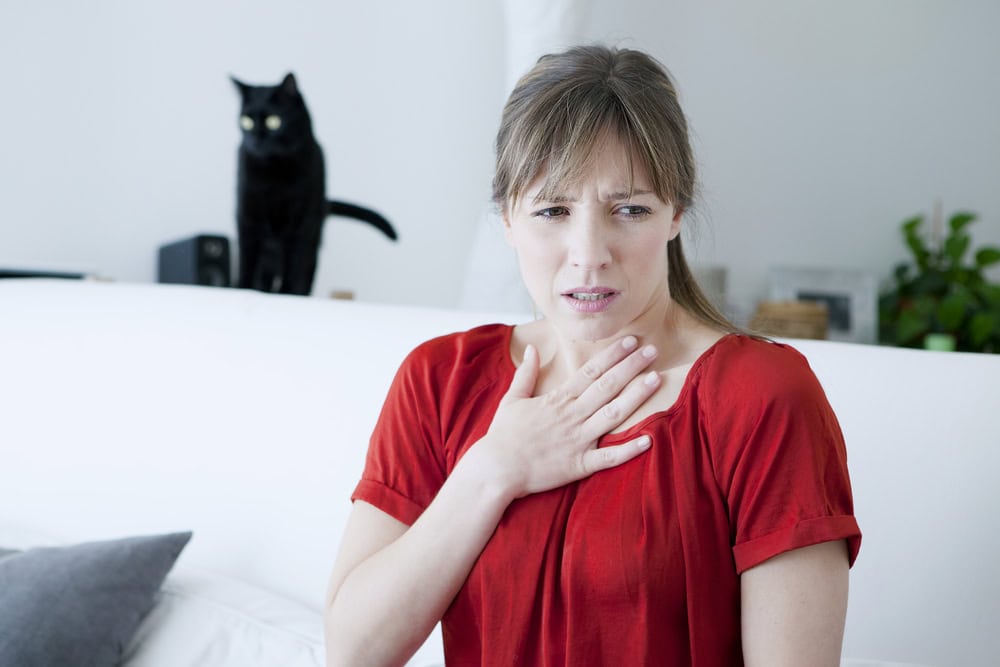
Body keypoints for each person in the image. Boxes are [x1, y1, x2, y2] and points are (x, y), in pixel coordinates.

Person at [324, 44, 861, 666]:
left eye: (629, 210)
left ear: (676, 212)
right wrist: (492, 470)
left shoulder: (760, 393)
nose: (588, 253)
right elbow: (353, 653)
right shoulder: (439, 380)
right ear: (506, 218)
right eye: (552, 210)